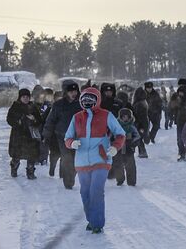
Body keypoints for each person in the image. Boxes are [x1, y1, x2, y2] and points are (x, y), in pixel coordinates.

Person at [64, 87, 126, 233]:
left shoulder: (106, 115)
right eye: (84, 100)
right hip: (81, 161)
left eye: (91, 100)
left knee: (96, 191)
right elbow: (67, 137)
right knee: (85, 192)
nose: (87, 102)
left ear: (97, 100)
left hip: (101, 159)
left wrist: (115, 147)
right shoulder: (76, 117)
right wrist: (72, 143)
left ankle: (97, 224)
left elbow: (120, 134)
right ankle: (91, 220)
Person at [43, 80, 82, 189]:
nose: (73, 93)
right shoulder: (58, 105)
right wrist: (46, 135)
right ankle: (68, 182)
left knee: (76, 160)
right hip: (63, 137)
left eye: (75, 91)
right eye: (71, 91)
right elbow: (50, 120)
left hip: (78, 137)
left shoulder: (81, 104)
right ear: (65, 92)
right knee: (66, 159)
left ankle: (72, 176)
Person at [6, 88, 43, 179]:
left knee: (32, 155)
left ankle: (30, 172)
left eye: (27, 97)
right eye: (24, 97)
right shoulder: (15, 106)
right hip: (18, 136)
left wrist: (34, 119)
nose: (26, 98)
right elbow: (9, 119)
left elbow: (40, 120)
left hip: (31, 135)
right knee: (17, 155)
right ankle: (14, 168)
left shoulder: (33, 107)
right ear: (20, 97)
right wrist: (19, 121)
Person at [112, 107, 141, 186]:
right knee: (118, 165)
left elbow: (137, 136)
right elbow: (111, 136)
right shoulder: (116, 126)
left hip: (129, 148)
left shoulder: (131, 127)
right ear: (120, 117)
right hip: (119, 149)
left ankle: (131, 181)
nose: (125, 118)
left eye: (127, 117)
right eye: (123, 116)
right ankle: (120, 179)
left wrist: (133, 143)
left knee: (130, 165)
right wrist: (113, 144)